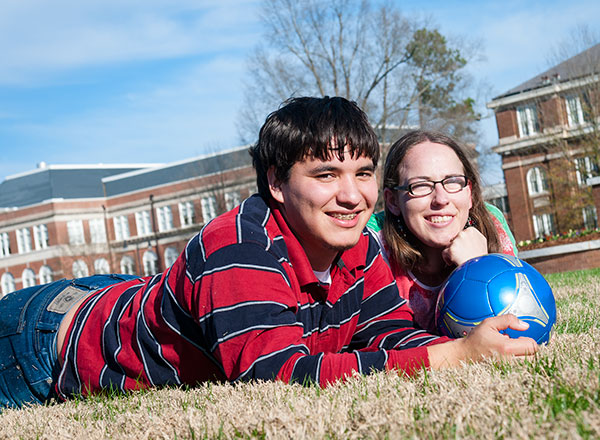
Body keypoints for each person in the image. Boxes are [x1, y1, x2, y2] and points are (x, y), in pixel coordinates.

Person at [0, 97, 537, 412]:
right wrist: (455, 356)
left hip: (121, 294)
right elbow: (274, 376)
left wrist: (472, 342)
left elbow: (391, 333)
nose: (352, 196)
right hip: (46, 341)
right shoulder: (239, 248)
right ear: (278, 183)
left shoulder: (358, 245)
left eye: (364, 174)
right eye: (326, 175)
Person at [368, 130, 518, 334]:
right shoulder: (372, 243)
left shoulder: (492, 224)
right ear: (393, 201)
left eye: (453, 182)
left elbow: (514, 327)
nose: (441, 199)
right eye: (420, 186)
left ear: (470, 193)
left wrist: (477, 267)